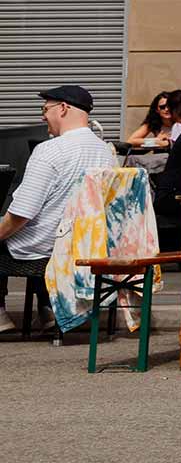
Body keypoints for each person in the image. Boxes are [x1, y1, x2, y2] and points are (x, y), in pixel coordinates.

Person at [0, 86, 118, 322]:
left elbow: (21, 214)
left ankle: (0, 315)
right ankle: (48, 308)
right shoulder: (106, 152)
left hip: (43, 248)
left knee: (10, 233)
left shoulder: (49, 150)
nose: (42, 116)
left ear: (63, 108)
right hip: (83, 244)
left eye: (45, 109)